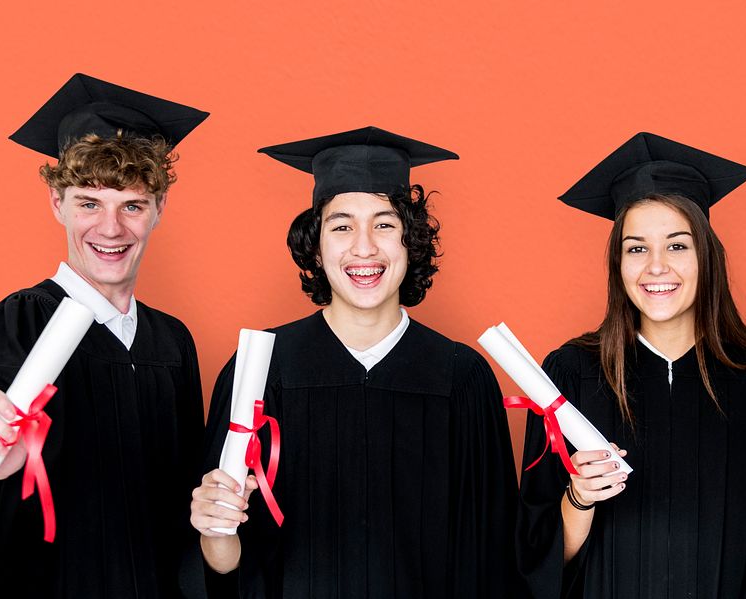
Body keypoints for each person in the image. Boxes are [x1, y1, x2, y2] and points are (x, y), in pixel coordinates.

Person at [187, 126, 519, 598]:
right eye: (341, 226)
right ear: (316, 248)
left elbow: (489, 558)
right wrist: (211, 528)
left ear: (411, 241)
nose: (364, 247)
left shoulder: (461, 377)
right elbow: (226, 566)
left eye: (385, 224)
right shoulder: (262, 370)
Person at [516, 132, 746, 598]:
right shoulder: (571, 375)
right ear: (618, 263)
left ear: (705, 256)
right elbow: (537, 559)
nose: (656, 267)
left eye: (677, 245)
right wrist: (580, 496)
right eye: (636, 248)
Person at [0, 73, 208, 598]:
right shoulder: (21, 320)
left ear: (159, 211)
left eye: (132, 205)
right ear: (57, 204)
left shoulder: (172, 341)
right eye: (89, 202)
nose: (111, 229)